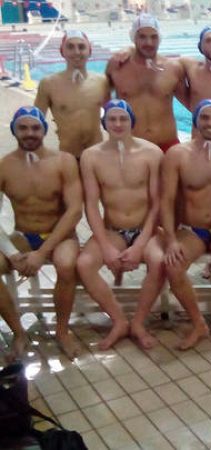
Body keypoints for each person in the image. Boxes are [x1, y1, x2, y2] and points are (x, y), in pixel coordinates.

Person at [76, 100, 164, 350]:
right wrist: (105, 246)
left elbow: (157, 204)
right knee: (84, 264)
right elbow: (91, 205)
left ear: (131, 122)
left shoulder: (152, 153)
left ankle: (138, 322)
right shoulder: (91, 156)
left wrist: (140, 245)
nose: (117, 124)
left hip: (145, 228)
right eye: (112, 119)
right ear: (104, 122)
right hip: (113, 230)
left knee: (158, 261)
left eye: (122, 119)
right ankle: (119, 321)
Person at [159, 99, 211, 350]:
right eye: (204, 118)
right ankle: (198, 323)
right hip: (191, 229)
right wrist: (171, 239)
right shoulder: (177, 154)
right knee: (173, 267)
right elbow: (167, 200)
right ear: (195, 121)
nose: (210, 123)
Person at [0, 107, 83, 360]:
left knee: (67, 264)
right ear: (14, 129)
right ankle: (18, 333)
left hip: (60, 235)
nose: (29, 133)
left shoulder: (64, 162)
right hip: (24, 235)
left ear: (44, 130)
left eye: (35, 128)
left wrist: (43, 253)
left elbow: (74, 212)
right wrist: (13, 254)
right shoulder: (4, 166)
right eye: (23, 127)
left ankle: (62, 330)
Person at [105, 13, 187, 152]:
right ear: (133, 38)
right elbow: (102, 104)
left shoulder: (173, 68)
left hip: (168, 145)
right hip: (131, 147)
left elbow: (193, 104)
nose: (148, 42)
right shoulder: (117, 65)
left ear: (159, 38)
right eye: (142, 36)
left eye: (153, 37)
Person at [34, 30, 110, 159]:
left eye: (81, 47)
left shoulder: (102, 82)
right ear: (62, 51)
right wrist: (38, 154)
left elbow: (115, 119)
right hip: (67, 157)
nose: (76, 52)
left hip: (97, 157)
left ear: (89, 51)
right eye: (70, 47)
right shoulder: (48, 84)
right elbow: (35, 123)